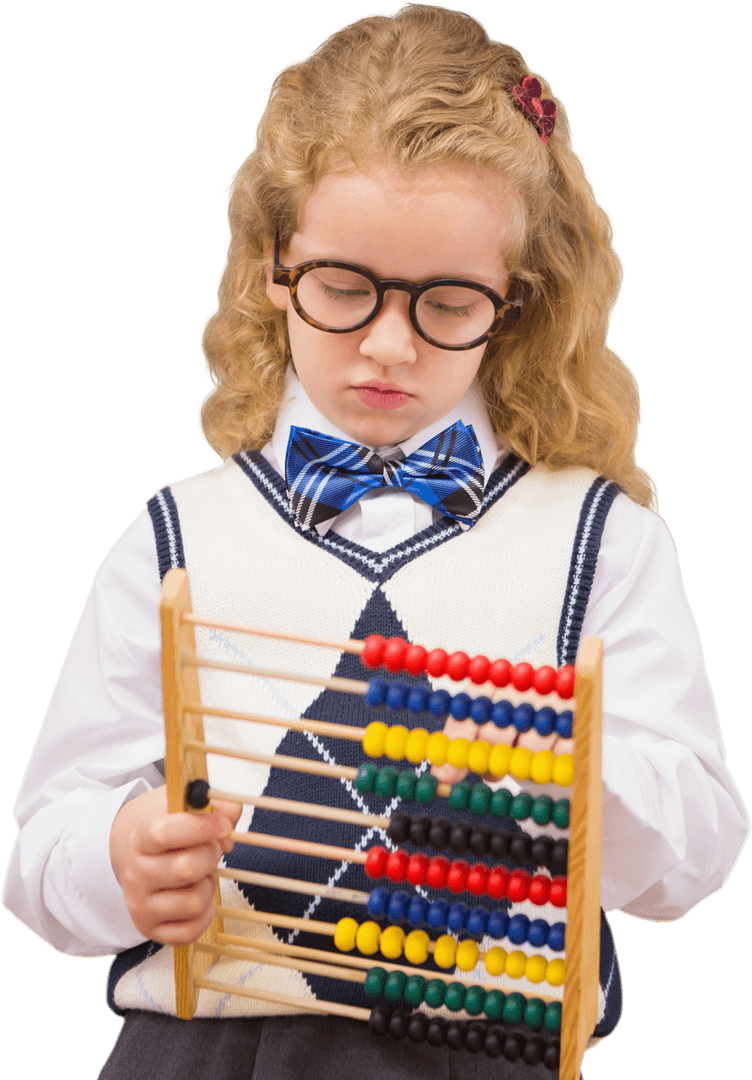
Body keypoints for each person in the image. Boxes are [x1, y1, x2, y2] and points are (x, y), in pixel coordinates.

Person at [3, 3, 749, 1078]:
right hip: (205, 1052)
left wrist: (549, 776)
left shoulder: (602, 540)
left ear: (515, 302)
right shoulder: (174, 534)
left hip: (483, 1056)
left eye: (447, 303)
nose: (387, 345)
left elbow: (696, 853)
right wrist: (114, 858)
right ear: (274, 266)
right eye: (343, 288)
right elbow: (43, 850)